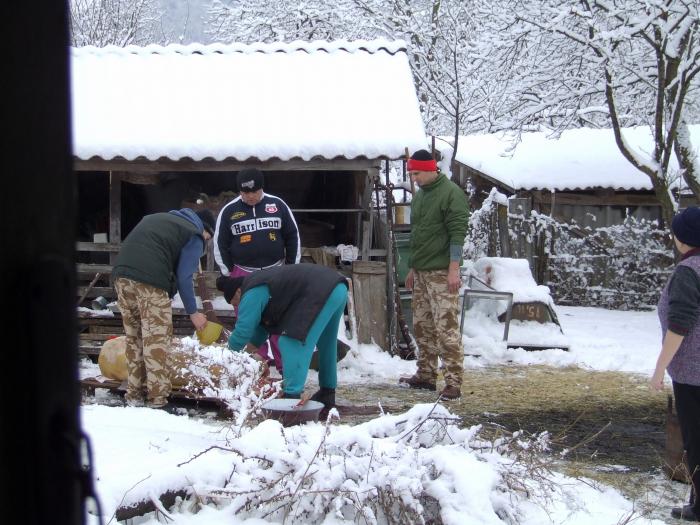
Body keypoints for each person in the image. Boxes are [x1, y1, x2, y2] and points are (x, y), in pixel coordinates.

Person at [112, 208, 217, 409]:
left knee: (134, 338)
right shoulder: (194, 233)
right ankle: (158, 401)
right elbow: (185, 276)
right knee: (156, 340)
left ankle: (134, 395)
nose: (205, 243)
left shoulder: (156, 218)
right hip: (150, 281)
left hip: (121, 276)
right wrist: (193, 313)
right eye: (208, 238)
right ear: (206, 230)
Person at [216, 263, 347, 411]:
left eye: (236, 303)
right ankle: (327, 393)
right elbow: (257, 334)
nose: (238, 307)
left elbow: (242, 331)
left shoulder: (252, 290)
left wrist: (226, 356)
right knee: (326, 342)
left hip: (320, 289)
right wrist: (247, 357)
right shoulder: (262, 284)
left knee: (291, 341)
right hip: (337, 288)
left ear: (239, 292)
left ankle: (291, 397)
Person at [214, 168, 300, 375]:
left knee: (280, 321)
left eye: (255, 191)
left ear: (262, 188)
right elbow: (220, 243)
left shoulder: (278, 205)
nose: (251, 196)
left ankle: (284, 367)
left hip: (277, 272)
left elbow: (292, 236)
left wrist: (291, 268)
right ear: (240, 191)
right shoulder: (229, 211)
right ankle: (256, 366)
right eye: (246, 193)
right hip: (243, 274)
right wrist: (228, 274)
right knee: (249, 321)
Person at [398, 149, 469, 400]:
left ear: (430, 169)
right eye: (411, 173)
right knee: (423, 326)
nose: (413, 178)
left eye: (416, 173)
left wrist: (454, 269)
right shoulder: (420, 197)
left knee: (446, 327)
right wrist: (413, 268)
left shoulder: (451, 194)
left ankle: (453, 382)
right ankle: (426, 375)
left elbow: (457, 233)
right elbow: (419, 235)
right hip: (422, 272)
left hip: (442, 272)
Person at [651, 206, 700, 522]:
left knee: (696, 442)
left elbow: (680, 324)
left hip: (694, 374)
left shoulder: (689, 271)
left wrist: (659, 369)